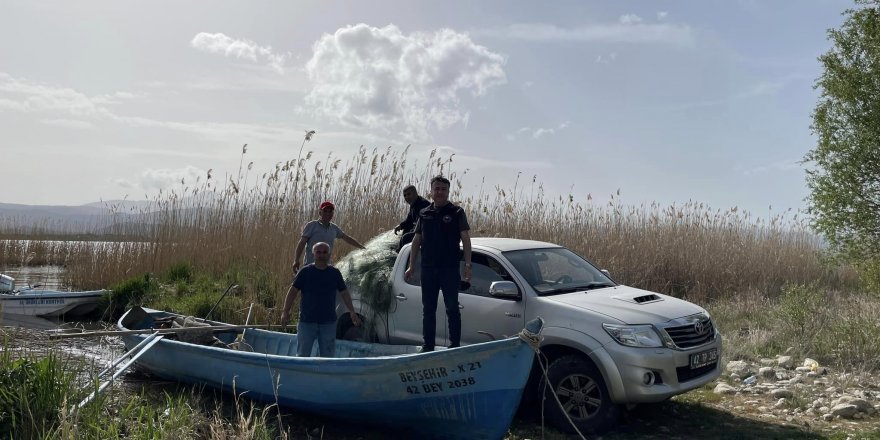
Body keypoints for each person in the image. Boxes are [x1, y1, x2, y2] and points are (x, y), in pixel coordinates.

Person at [404, 176, 472, 351]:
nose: (440, 192)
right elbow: (416, 241)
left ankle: (454, 346)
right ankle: (428, 346)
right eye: (437, 189)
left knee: (452, 308)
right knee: (428, 309)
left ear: (448, 192)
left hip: (449, 269)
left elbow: (465, 239)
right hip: (428, 269)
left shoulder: (457, 212)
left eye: (443, 189)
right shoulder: (424, 213)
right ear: (431, 192)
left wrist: (468, 266)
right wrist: (412, 266)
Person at [280, 242, 361, 357]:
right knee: (303, 355)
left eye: (324, 252)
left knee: (327, 355)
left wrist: (352, 312)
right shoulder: (305, 272)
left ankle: (325, 374)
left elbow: (344, 293)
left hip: (328, 322)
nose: (321, 255)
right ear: (313, 254)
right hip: (307, 321)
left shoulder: (334, 273)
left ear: (329, 254)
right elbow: (292, 292)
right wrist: (285, 312)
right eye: (318, 252)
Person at [292, 201, 365, 273]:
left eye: (330, 212)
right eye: (325, 211)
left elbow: (346, 238)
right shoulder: (312, 225)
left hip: (325, 267)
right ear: (320, 212)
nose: (328, 214)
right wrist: (296, 260)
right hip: (310, 266)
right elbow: (302, 243)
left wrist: (361, 247)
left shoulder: (334, 228)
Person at [393, 185, 431, 251]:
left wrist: (411, 232)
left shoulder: (422, 204)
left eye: (409, 194)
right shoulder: (413, 204)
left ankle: (402, 256)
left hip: (426, 233)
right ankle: (398, 251)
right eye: (405, 195)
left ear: (415, 193)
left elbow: (420, 225)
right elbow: (409, 220)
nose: (407, 197)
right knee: (405, 230)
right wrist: (400, 226)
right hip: (419, 231)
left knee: (405, 237)